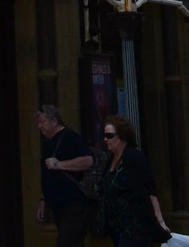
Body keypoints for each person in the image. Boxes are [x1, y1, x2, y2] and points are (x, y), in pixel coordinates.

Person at [98, 116, 171, 247]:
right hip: (117, 227)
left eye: (109, 136)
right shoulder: (111, 159)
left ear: (122, 136)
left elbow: (150, 191)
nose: (105, 139)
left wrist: (160, 221)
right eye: (104, 135)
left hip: (135, 226)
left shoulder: (134, 158)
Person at [34, 104, 96, 247]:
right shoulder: (50, 143)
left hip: (75, 206)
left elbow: (88, 160)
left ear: (54, 121)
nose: (39, 126)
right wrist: (44, 201)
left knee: (67, 243)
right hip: (60, 207)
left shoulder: (69, 138)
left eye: (42, 122)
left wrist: (60, 164)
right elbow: (48, 175)